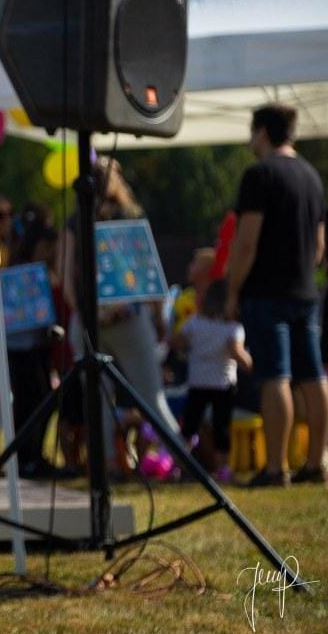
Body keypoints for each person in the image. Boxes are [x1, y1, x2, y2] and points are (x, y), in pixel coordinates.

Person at [226, 103, 327, 487]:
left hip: (267, 292)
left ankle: (276, 468)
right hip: (305, 289)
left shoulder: (259, 174)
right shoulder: (311, 176)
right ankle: (317, 462)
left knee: (275, 377)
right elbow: (319, 245)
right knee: (312, 376)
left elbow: (247, 241)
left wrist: (233, 288)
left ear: (263, 132)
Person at [63, 157, 176, 475]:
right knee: (152, 397)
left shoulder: (76, 220)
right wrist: (157, 314)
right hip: (129, 319)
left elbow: (66, 272)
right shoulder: (130, 216)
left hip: (89, 322)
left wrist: (83, 314)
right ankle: (180, 459)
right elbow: (147, 272)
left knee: (97, 402)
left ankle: (105, 465)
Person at [171, 280, 252, 482]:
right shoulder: (233, 328)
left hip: (197, 382)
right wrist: (252, 363)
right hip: (222, 385)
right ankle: (223, 468)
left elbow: (178, 341)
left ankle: (178, 466)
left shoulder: (195, 323)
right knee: (221, 428)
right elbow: (236, 352)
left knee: (189, 426)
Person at [4, 208, 60, 478]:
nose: (50, 253)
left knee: (42, 399)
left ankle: (34, 454)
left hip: (37, 344)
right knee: (28, 402)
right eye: (47, 247)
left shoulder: (43, 270)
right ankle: (25, 457)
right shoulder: (18, 269)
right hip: (20, 347)